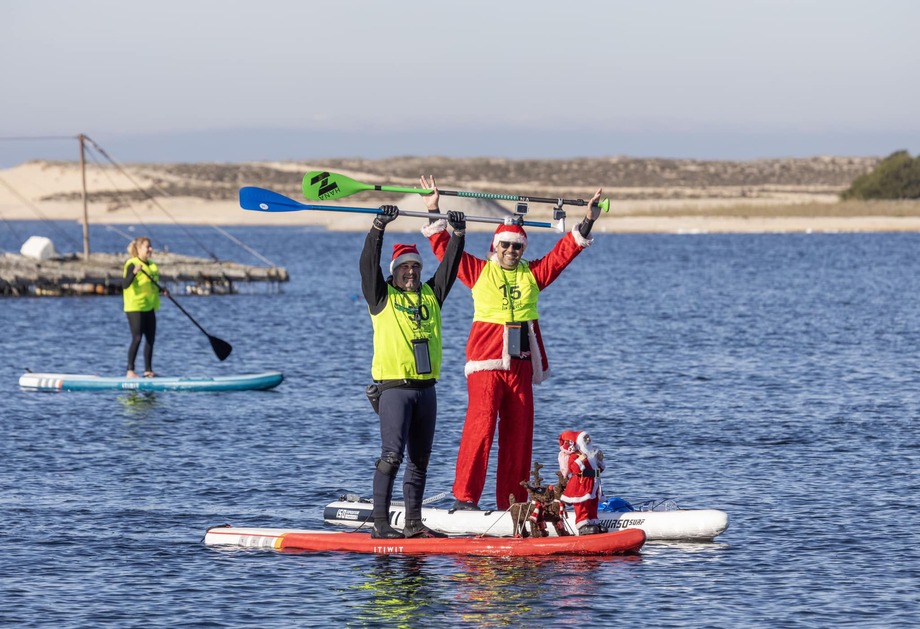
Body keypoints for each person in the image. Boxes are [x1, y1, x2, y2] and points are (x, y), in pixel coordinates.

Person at [421, 175, 604, 511]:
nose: (510, 251)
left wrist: (588, 220)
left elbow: (563, 254)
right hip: (487, 364)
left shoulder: (532, 274)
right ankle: (465, 499)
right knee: (481, 428)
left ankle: (513, 503)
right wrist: (434, 210)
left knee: (519, 437)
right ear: (495, 246)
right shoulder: (478, 271)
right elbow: (445, 250)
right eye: (505, 245)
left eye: (516, 246)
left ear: (522, 249)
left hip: (520, 364)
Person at [360, 204, 466, 539]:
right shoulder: (381, 296)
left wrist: (458, 235)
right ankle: (379, 525)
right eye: (404, 267)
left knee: (420, 460)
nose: (410, 272)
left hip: (426, 391)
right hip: (394, 390)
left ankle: (413, 524)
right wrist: (379, 227)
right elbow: (367, 265)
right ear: (395, 271)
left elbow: (449, 267)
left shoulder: (432, 296)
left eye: (415, 267)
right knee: (392, 456)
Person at [122, 236, 162, 378]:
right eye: (147, 247)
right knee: (137, 337)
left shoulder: (152, 265)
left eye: (150, 246)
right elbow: (125, 284)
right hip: (135, 307)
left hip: (149, 306)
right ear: (139, 249)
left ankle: (148, 371)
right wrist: (134, 273)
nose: (150, 249)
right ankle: (130, 371)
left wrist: (162, 290)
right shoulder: (132, 263)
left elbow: (152, 285)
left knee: (150, 339)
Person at [558, 430, 607, 535]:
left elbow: (599, 470)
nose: (588, 440)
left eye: (588, 438)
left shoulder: (592, 455)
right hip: (581, 483)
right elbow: (574, 469)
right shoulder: (575, 455)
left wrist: (600, 461)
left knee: (592, 503)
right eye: (585, 439)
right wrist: (580, 459)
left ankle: (594, 521)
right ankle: (582, 525)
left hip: (594, 483)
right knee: (582, 504)